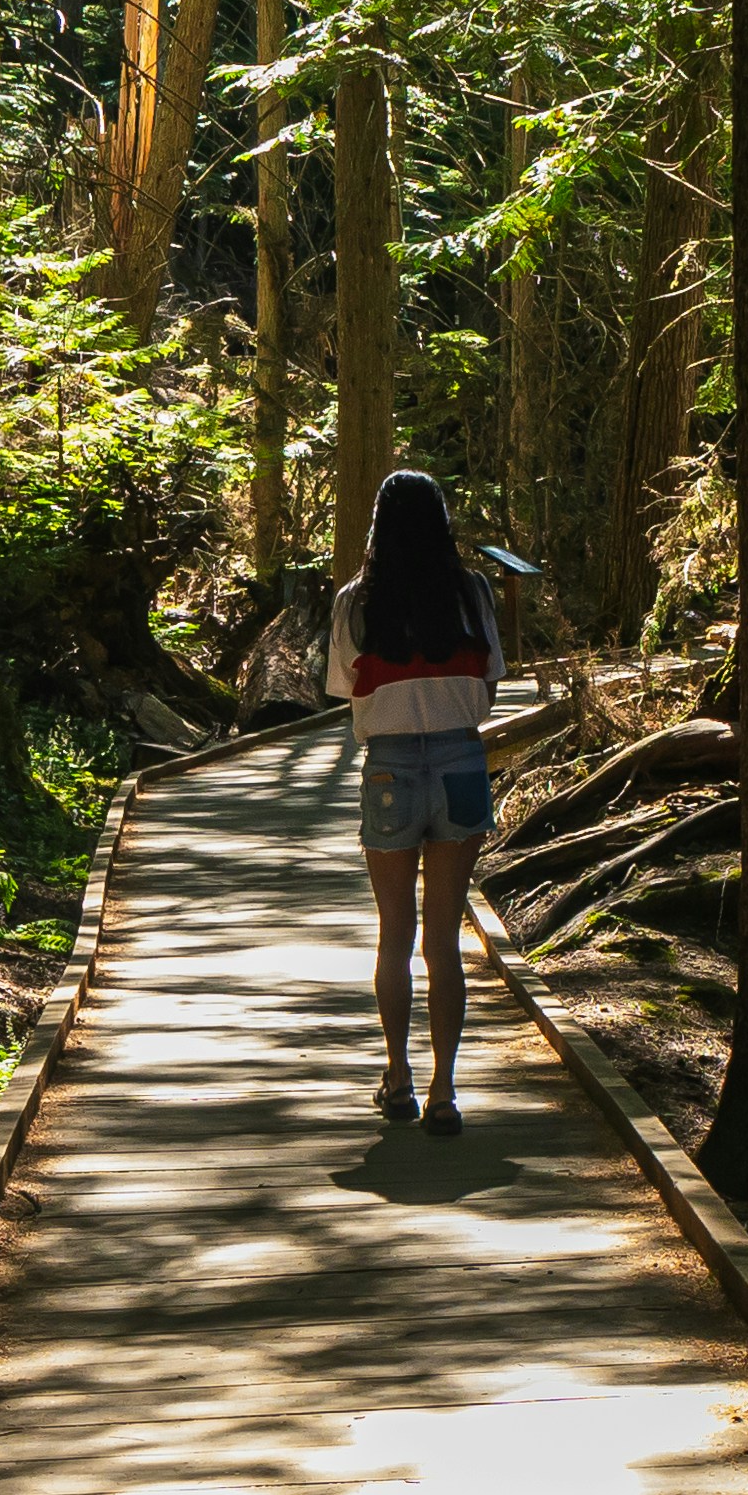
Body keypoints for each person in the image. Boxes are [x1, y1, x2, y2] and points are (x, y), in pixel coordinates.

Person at [327, 468, 507, 1129]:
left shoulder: (355, 601)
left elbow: (347, 686)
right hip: (460, 761)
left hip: (389, 772)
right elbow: (490, 679)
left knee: (394, 934)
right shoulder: (471, 592)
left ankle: (396, 1078)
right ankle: (443, 1091)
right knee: (442, 939)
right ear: (441, 522)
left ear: (378, 522)